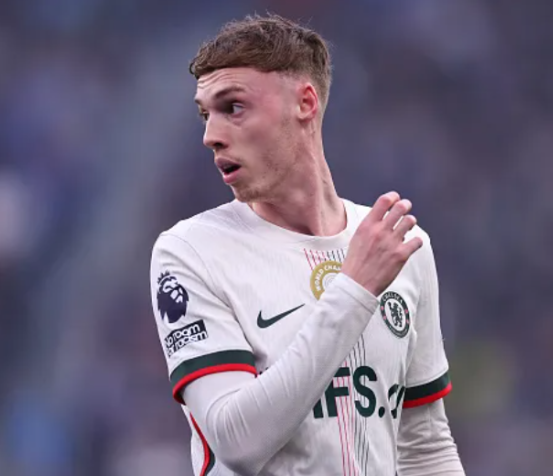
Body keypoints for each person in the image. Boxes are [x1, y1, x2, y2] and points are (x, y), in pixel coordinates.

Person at [149, 13, 465, 476]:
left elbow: (425, 446)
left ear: (305, 102)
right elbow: (237, 441)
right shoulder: (190, 252)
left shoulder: (400, 245)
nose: (210, 136)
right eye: (205, 114)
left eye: (233, 107)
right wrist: (353, 290)